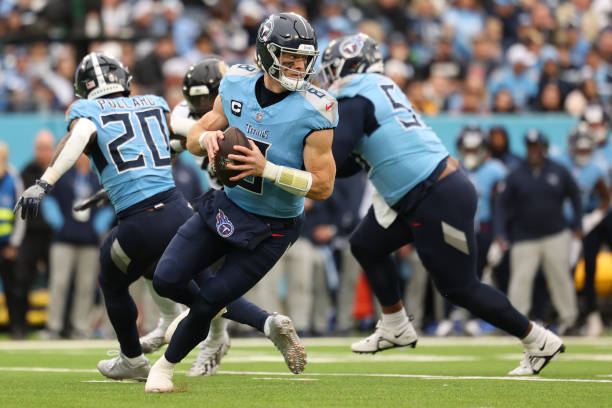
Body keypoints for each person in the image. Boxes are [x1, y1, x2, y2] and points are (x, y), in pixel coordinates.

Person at [14, 52, 297, 383]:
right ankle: (265, 321)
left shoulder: (86, 111)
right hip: (178, 211)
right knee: (201, 285)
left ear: (83, 88)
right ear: (123, 79)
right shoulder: (153, 103)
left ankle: (132, 358)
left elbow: (78, 137)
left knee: (111, 276)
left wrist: (43, 183)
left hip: (139, 222)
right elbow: (190, 133)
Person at [319, 33, 564, 376]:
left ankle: (537, 339)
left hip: (435, 194)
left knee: (460, 288)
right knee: (366, 244)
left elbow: (332, 156)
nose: (328, 79)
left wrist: (296, 152)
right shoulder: (374, 92)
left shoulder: (357, 96)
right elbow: (344, 164)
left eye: (331, 70)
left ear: (350, 66)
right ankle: (395, 325)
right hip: (418, 193)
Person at [145, 12, 337, 393]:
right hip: (228, 203)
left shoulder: (317, 109)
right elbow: (199, 133)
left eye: (304, 59)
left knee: (211, 298)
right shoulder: (235, 84)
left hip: (274, 225)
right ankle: (254, 321)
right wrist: (209, 141)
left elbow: (323, 186)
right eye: (290, 58)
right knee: (165, 278)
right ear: (266, 56)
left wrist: (268, 170)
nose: (299, 67)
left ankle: (164, 369)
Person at [496, 129, 581, 335]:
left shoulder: (559, 171)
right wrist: (500, 233)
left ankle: (569, 320)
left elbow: (575, 195)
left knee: (561, 277)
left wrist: (577, 224)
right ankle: (516, 323)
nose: (533, 150)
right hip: (524, 236)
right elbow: (502, 204)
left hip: (555, 234)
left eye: (537, 146)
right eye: (530, 146)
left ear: (544, 147)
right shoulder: (516, 174)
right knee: (520, 280)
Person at [41, 154, 114, 339]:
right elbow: (48, 200)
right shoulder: (64, 176)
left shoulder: (98, 178)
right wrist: (59, 223)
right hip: (63, 240)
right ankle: (54, 326)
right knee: (59, 283)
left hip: (89, 242)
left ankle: (81, 327)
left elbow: (109, 205)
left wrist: (98, 227)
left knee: (86, 286)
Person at [12, 130, 54, 339]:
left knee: (59, 282)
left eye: (48, 148)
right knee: (23, 281)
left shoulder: (59, 171)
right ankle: (20, 326)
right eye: (41, 148)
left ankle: (58, 326)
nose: (45, 152)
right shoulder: (26, 172)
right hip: (30, 235)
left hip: (53, 236)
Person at [0, 142, 26, 339]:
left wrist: (14, 244)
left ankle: (16, 327)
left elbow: (21, 215)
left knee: (13, 289)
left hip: (8, 246)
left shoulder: (14, 181)